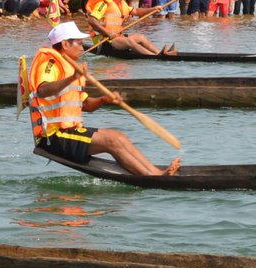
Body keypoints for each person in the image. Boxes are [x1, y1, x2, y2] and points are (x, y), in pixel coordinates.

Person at [27, 21, 179, 176]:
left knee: (119, 136)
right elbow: (42, 90)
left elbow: (86, 105)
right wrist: (72, 77)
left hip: (68, 131)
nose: (82, 48)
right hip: (53, 137)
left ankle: (156, 172)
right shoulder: (50, 62)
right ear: (65, 44)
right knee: (112, 140)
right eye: (79, 44)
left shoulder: (70, 67)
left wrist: (104, 100)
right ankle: (154, 177)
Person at [83, 0, 174, 55]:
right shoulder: (103, 4)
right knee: (129, 42)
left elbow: (136, 11)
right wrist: (107, 32)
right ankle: (153, 56)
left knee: (141, 37)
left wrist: (153, 9)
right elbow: (91, 20)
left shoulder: (122, 4)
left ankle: (159, 53)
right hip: (105, 41)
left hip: (117, 37)